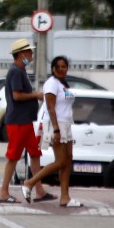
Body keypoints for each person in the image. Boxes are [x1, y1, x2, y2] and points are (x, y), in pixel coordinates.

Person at [0, 39, 50, 204]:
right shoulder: (16, 72)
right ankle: (4, 192)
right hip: (18, 122)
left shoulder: (20, 70)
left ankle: (39, 191)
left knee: (34, 154)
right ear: (21, 54)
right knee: (13, 156)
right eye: (29, 52)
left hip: (25, 121)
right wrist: (36, 95)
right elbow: (17, 96)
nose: (31, 55)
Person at [23, 56, 80, 207]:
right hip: (56, 125)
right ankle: (29, 183)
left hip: (66, 124)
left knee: (68, 161)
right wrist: (56, 130)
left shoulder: (62, 84)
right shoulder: (51, 84)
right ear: (53, 69)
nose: (62, 69)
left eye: (64, 67)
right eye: (58, 67)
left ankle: (65, 197)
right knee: (60, 161)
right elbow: (50, 107)